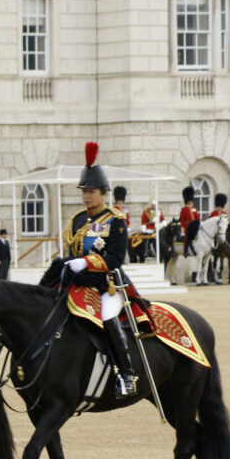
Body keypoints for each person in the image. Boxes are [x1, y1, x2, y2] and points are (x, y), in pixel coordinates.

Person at [60, 142, 136, 398]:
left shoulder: (116, 220)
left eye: (91, 191)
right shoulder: (78, 219)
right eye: (84, 191)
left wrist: (87, 262)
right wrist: (73, 263)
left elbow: (115, 258)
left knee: (106, 316)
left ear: (103, 193)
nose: (86, 196)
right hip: (79, 281)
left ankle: (127, 373)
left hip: (107, 283)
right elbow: (73, 250)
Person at [180, 186, 199, 258]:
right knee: (187, 237)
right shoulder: (184, 209)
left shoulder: (194, 209)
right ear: (187, 200)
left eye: (191, 200)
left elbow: (198, 218)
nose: (191, 201)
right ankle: (186, 251)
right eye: (190, 200)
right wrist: (183, 228)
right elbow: (182, 220)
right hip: (187, 226)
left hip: (195, 226)